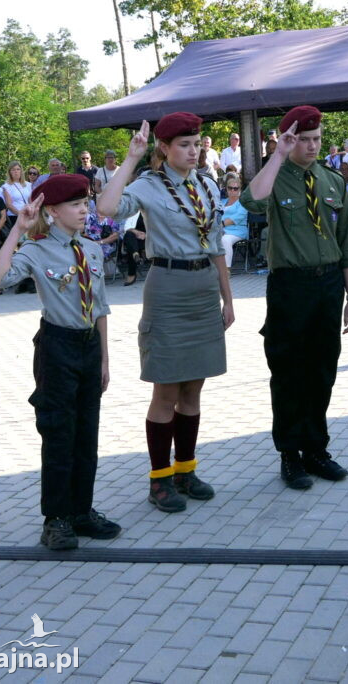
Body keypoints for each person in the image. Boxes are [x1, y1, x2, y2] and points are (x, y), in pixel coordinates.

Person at [97, 112, 234, 512]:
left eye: (197, 144)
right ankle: (159, 480)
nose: (194, 151)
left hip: (204, 288)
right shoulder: (148, 185)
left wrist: (228, 298)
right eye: (184, 145)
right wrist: (130, 158)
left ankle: (185, 470)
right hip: (168, 288)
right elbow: (107, 208)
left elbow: (217, 246)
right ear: (164, 148)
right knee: (167, 389)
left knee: (194, 387)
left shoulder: (208, 186)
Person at [0, 174, 120, 550]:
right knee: (59, 433)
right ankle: (56, 519)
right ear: (53, 211)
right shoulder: (36, 248)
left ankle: (82, 511)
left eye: (85, 203)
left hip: (89, 345)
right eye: (76, 205)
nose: (84, 210)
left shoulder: (91, 249)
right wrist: (19, 228)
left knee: (86, 434)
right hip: (57, 347)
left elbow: (101, 308)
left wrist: (105, 358)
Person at [241, 105, 348, 490]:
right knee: (289, 373)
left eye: (316, 139)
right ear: (289, 140)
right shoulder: (275, 177)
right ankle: (290, 455)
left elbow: (347, 243)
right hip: (290, 287)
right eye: (303, 139)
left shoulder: (332, 181)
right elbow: (252, 202)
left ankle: (317, 450)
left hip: (328, 286)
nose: (311, 146)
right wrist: (277, 153)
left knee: (323, 370)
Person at [220, 172, 249, 270]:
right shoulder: (222, 202)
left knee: (225, 239)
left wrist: (220, 225)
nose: (232, 190)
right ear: (226, 189)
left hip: (237, 231)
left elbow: (236, 218)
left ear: (239, 189)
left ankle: (226, 270)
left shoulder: (242, 203)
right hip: (220, 229)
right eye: (230, 188)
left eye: (235, 188)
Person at [2, 160, 32, 229]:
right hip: (15, 216)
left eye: (18, 169)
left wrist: (31, 213)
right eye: (13, 170)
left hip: (28, 215)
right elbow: (9, 205)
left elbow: (31, 201)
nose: (16, 171)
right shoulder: (6, 186)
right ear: (10, 172)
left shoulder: (28, 185)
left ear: (21, 171)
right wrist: (20, 215)